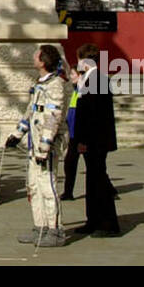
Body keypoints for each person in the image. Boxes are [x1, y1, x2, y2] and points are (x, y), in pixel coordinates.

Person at [5, 43, 69, 248]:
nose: (33, 58)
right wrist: (18, 133)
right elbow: (30, 111)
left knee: (48, 187)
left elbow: (54, 118)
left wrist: (45, 146)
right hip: (34, 143)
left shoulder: (56, 85)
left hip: (46, 146)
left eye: (36, 56)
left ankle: (55, 229)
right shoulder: (40, 83)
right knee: (33, 186)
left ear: (43, 61)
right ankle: (39, 226)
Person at [73, 44, 120, 235]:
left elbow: (92, 115)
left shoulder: (96, 80)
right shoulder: (91, 79)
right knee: (92, 181)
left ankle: (109, 223)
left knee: (99, 180)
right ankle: (92, 220)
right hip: (94, 138)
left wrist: (83, 139)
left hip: (96, 140)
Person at [62, 63, 82, 201]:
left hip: (81, 134)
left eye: (73, 74)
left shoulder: (83, 90)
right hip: (74, 133)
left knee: (95, 167)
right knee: (69, 163)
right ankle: (68, 192)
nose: (70, 77)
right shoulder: (75, 90)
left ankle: (109, 189)